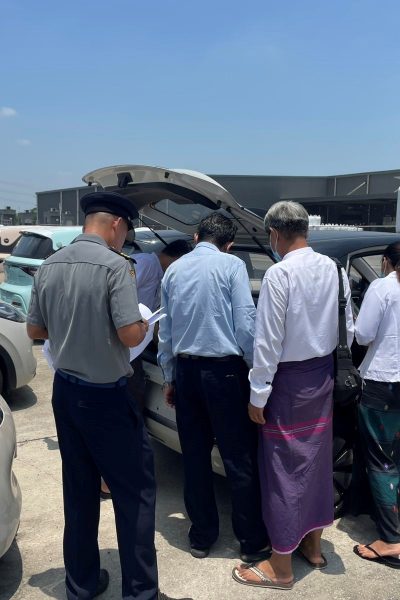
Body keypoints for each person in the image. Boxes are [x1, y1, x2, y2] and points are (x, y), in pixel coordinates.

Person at [26, 191, 175, 600]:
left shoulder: (50, 264)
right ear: (117, 225)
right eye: (125, 232)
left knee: (79, 491)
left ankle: (82, 585)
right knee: (135, 494)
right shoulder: (115, 266)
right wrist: (145, 326)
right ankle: (140, 593)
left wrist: (71, 328)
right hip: (106, 398)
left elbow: (35, 331)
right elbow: (129, 334)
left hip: (65, 392)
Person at [233, 201, 354, 590]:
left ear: (273, 234)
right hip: (322, 377)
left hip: (287, 383)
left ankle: (280, 565)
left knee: (282, 471)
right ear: (305, 229)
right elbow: (348, 328)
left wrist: (258, 395)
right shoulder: (334, 269)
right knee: (316, 464)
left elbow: (267, 341)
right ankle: (313, 547)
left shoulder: (279, 274)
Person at [158, 212, 269, 561]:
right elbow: (246, 323)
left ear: (196, 237)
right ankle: (251, 541)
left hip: (186, 371)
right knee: (238, 457)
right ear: (229, 244)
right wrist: (255, 370)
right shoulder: (232, 265)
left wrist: (169, 376)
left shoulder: (174, 270)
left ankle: (201, 536)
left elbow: (166, 331)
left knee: (194, 457)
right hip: (225, 374)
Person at [353, 242, 400, 569]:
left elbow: (363, 335)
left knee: (383, 461)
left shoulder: (383, 288)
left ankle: (391, 540)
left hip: (383, 382)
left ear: (386, 262)